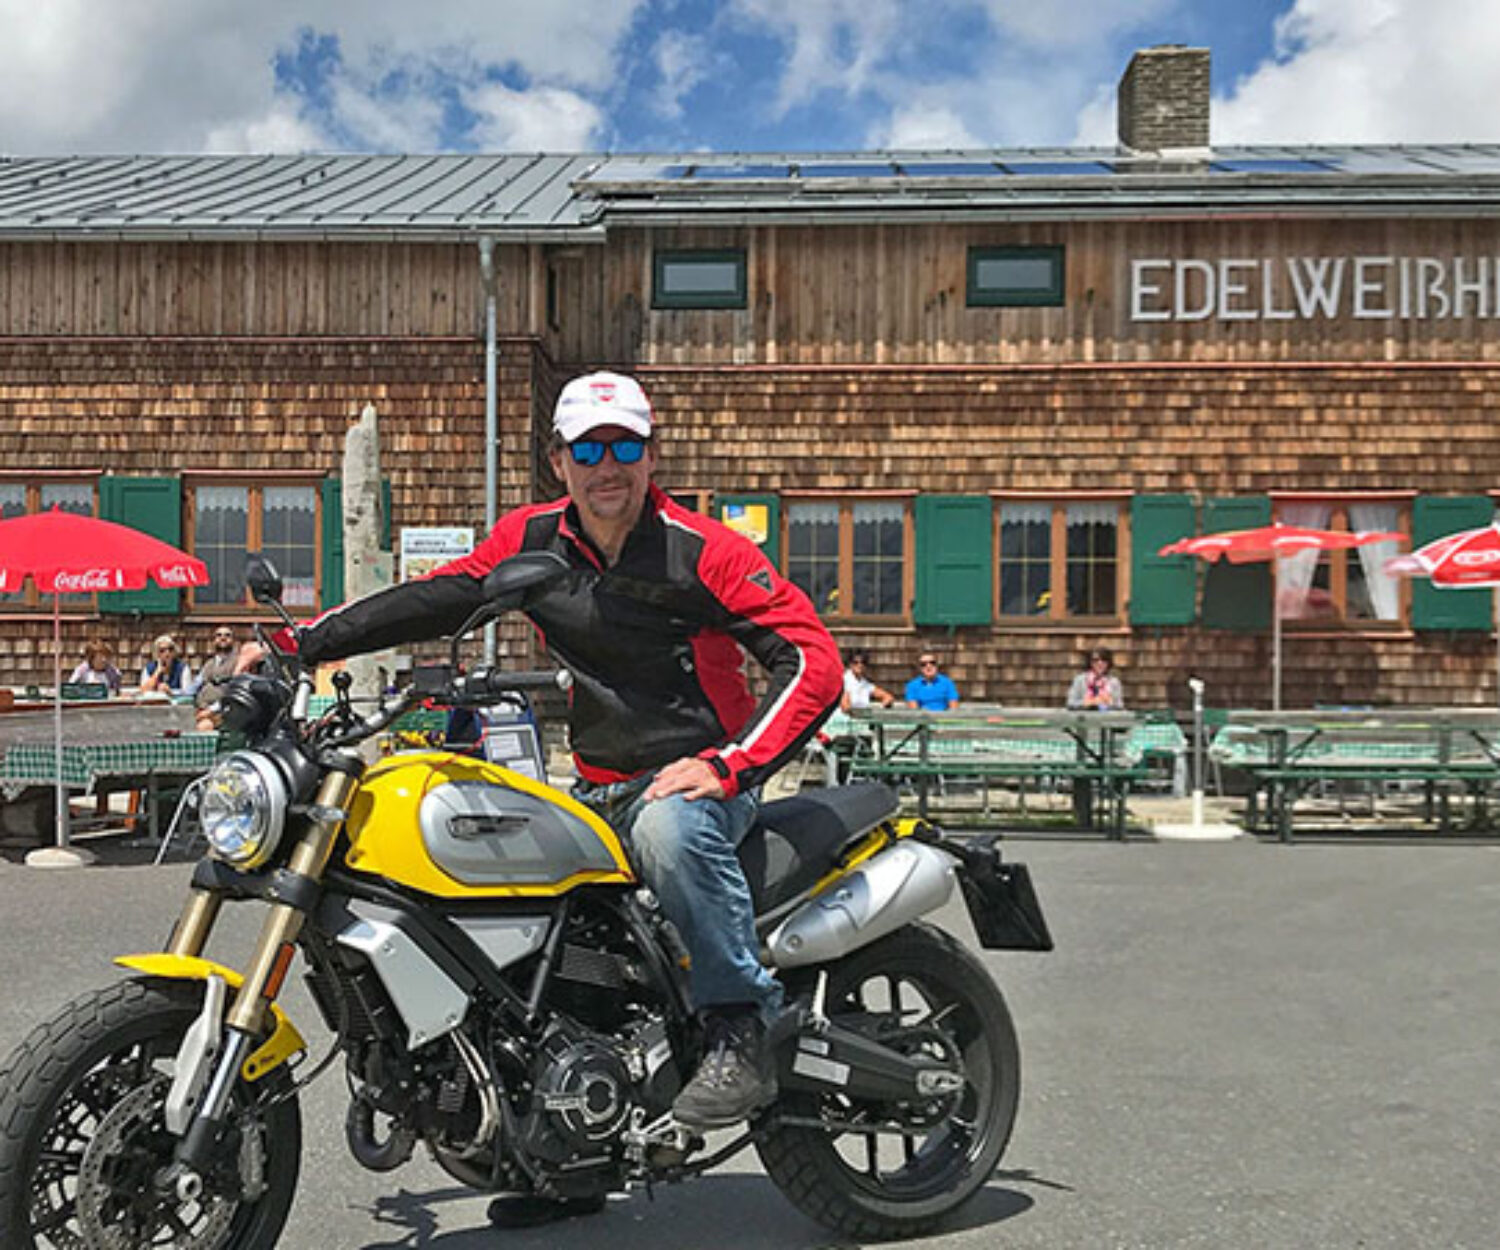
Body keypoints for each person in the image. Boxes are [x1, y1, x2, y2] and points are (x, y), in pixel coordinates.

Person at [291, 370, 843, 1225]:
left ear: (652, 455)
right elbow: (439, 598)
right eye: (588, 447)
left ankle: (740, 1026)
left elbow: (812, 661)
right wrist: (303, 644)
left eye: (625, 445)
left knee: (669, 832)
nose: (607, 465)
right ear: (559, 460)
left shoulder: (706, 550)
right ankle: (563, 1155)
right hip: (592, 784)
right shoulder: (533, 541)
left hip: (693, 783)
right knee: (528, 925)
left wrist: (732, 767)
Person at [193, 626, 240, 729]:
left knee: (204, 726)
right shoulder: (209, 664)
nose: (223, 638)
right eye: (219, 635)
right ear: (213, 641)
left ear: (233, 641)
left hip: (224, 712)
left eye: (227, 635)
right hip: (201, 708)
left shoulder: (238, 663)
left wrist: (211, 710)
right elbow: (195, 686)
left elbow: (234, 693)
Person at [1066, 646, 1125, 711]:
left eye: (1104, 660)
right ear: (1090, 662)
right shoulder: (1080, 680)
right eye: (1095, 660)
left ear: (1108, 663)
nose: (1100, 663)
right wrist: (1090, 702)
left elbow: (1120, 706)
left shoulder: (1114, 682)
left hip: (1107, 719)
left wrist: (1110, 702)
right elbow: (1070, 703)